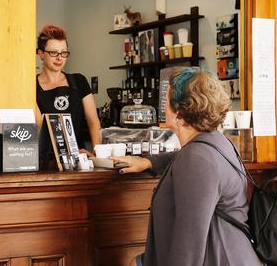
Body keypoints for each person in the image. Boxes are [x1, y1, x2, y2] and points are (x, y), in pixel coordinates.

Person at [112, 68, 261, 266]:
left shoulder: (197, 158)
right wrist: (149, 162)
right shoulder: (216, 143)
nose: (163, 106)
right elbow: (188, 158)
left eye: (166, 100)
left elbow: (188, 246)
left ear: (179, 113)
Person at [35, 24, 101, 169]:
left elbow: (93, 121)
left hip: (78, 161)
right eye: (53, 53)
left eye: (64, 53)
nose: (59, 58)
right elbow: (39, 128)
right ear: (40, 53)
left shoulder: (79, 81)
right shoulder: (31, 87)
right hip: (46, 163)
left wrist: (96, 153)